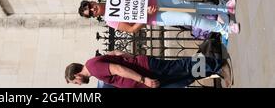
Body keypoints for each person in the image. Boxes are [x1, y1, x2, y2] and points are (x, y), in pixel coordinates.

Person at [78, 0, 240, 36]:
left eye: (90, 7)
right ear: (94, 16)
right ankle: (225, 28)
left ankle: (224, 9)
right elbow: (132, 29)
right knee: (189, 18)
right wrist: (146, 16)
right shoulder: (110, 21)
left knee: (191, 6)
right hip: (155, 16)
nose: (93, 10)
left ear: (92, 2)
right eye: (91, 13)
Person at [65, 51, 233, 88]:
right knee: (182, 75)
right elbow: (116, 53)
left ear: (76, 74)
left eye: (75, 81)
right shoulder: (93, 63)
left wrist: (143, 79)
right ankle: (213, 69)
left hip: (146, 71)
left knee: (181, 67)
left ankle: (219, 65)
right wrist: (130, 56)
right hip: (145, 70)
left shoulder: (93, 68)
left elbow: (117, 69)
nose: (78, 84)